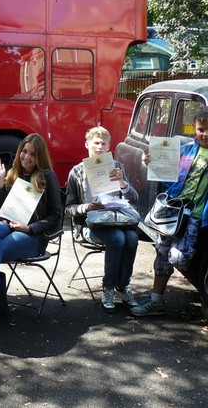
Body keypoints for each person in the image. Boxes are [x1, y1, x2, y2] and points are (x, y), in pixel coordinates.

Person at [131, 106, 208, 317]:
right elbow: (169, 178)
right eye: (201, 129)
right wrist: (152, 163)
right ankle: (156, 301)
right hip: (174, 212)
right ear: (195, 129)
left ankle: (174, 280)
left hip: (194, 217)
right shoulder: (184, 150)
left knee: (179, 258)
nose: (205, 134)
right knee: (161, 254)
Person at [0, 133, 62, 329]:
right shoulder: (15, 174)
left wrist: (30, 228)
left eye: (33, 154)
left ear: (40, 157)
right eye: (24, 151)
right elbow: (4, 211)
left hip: (32, 236)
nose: (27, 157)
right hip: (10, 225)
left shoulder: (47, 176)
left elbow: (56, 214)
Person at [65, 126, 139, 312]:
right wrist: (87, 207)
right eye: (96, 143)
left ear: (108, 147)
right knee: (117, 238)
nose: (99, 147)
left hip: (117, 220)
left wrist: (122, 183)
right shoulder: (77, 171)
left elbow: (134, 199)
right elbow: (68, 208)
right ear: (87, 144)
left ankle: (123, 286)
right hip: (90, 225)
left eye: (103, 143)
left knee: (131, 237)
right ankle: (108, 288)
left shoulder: (117, 167)